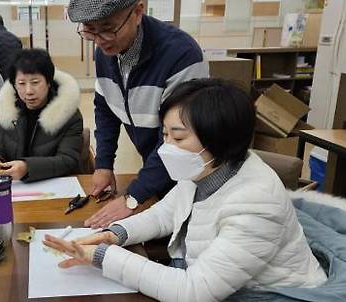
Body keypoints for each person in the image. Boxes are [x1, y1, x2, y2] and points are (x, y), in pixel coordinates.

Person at [43, 79, 328, 301]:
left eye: (177, 136)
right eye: (164, 135)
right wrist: (115, 233)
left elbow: (193, 292)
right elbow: (165, 214)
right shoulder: (206, 167)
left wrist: (101, 256)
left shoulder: (256, 202)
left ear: (220, 138)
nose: (167, 147)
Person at [67, 0, 209, 228]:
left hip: (195, 179)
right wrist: (103, 164)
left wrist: (134, 196)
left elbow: (179, 142)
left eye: (108, 28)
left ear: (138, 11)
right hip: (157, 171)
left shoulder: (181, 55)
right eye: (90, 30)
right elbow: (106, 110)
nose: (100, 40)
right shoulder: (106, 53)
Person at [0, 49, 83, 182]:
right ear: (14, 85)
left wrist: (27, 167)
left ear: (48, 82)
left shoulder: (69, 114)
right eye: (22, 84)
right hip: (15, 188)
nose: (28, 91)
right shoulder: (8, 110)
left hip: (54, 188)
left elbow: (68, 160)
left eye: (35, 82)